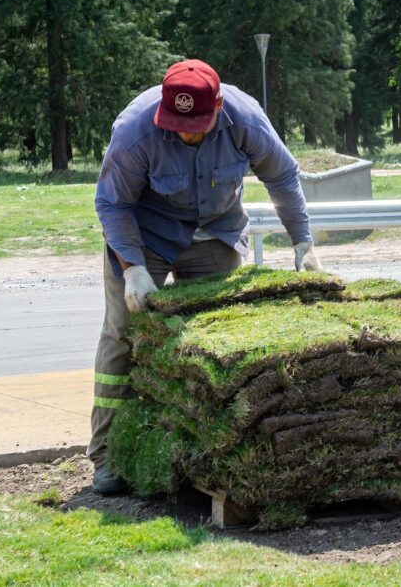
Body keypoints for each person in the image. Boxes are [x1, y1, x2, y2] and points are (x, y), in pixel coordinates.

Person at [89, 58, 322, 494]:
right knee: (123, 332)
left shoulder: (246, 119)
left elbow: (283, 177)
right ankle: (107, 456)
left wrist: (303, 243)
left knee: (215, 333)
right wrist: (133, 268)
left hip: (216, 231)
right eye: (178, 123)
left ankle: (202, 451)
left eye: (195, 123)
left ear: (217, 107)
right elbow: (113, 205)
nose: (186, 132)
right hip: (147, 237)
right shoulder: (135, 131)